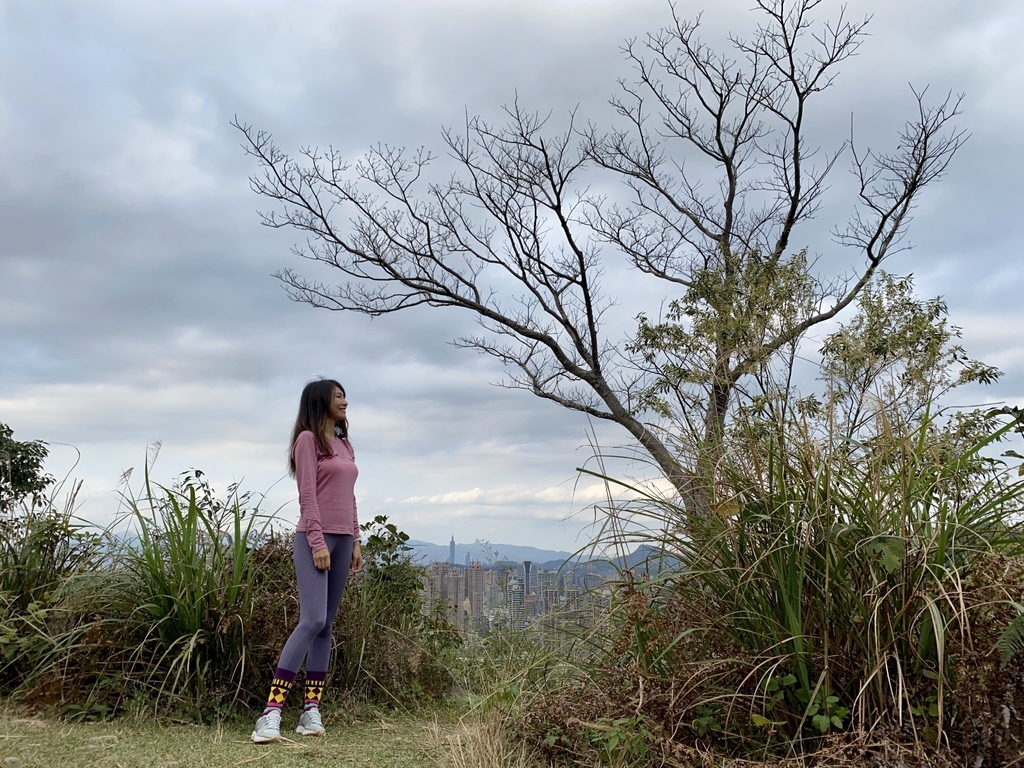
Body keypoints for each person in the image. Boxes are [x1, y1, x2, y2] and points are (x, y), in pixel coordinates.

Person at [252, 378, 363, 743]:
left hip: (344, 539)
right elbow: (307, 495)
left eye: (344, 395)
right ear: (320, 402)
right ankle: (271, 713)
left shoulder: (345, 444)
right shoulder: (306, 440)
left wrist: (356, 539)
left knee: (327, 626)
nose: (344, 401)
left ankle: (310, 711)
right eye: (337, 396)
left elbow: (350, 496)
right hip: (314, 538)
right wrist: (317, 541)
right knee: (312, 619)